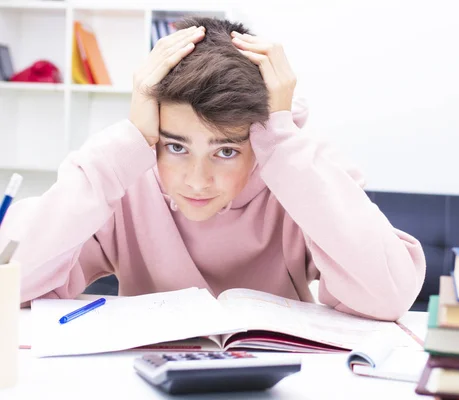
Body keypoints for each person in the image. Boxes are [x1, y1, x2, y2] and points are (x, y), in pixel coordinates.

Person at [0, 17, 425, 321]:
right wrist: (125, 145)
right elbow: (9, 287)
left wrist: (283, 147)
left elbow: (387, 297)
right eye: (175, 146)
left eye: (226, 151)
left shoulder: (300, 172)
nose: (197, 180)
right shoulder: (126, 178)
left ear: (259, 140)